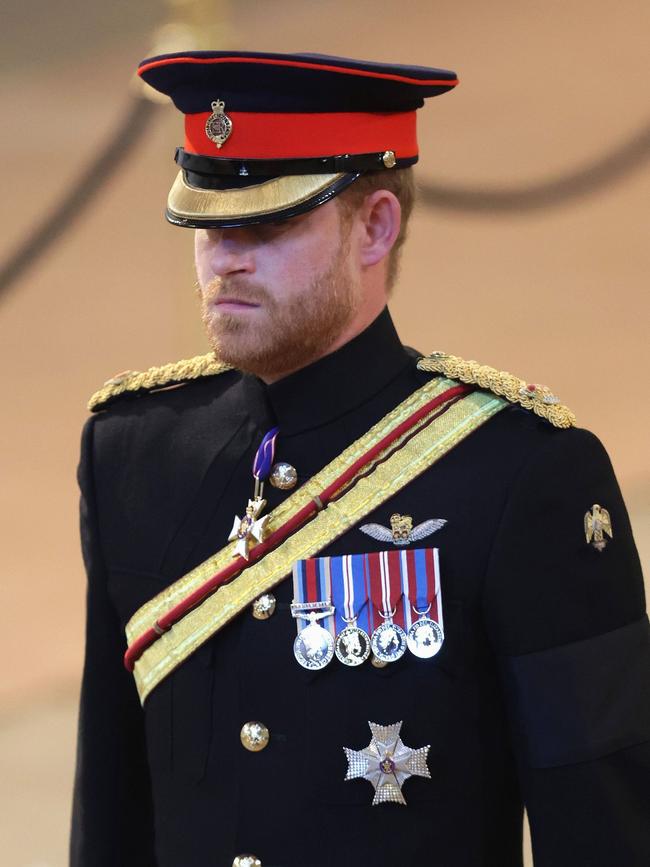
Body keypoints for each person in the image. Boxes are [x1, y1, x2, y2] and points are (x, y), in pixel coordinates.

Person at [70, 51, 650, 867]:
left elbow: (605, 831)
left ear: (375, 226)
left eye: (266, 225)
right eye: (206, 223)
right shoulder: (131, 451)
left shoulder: (525, 475)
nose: (223, 257)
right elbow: (112, 813)